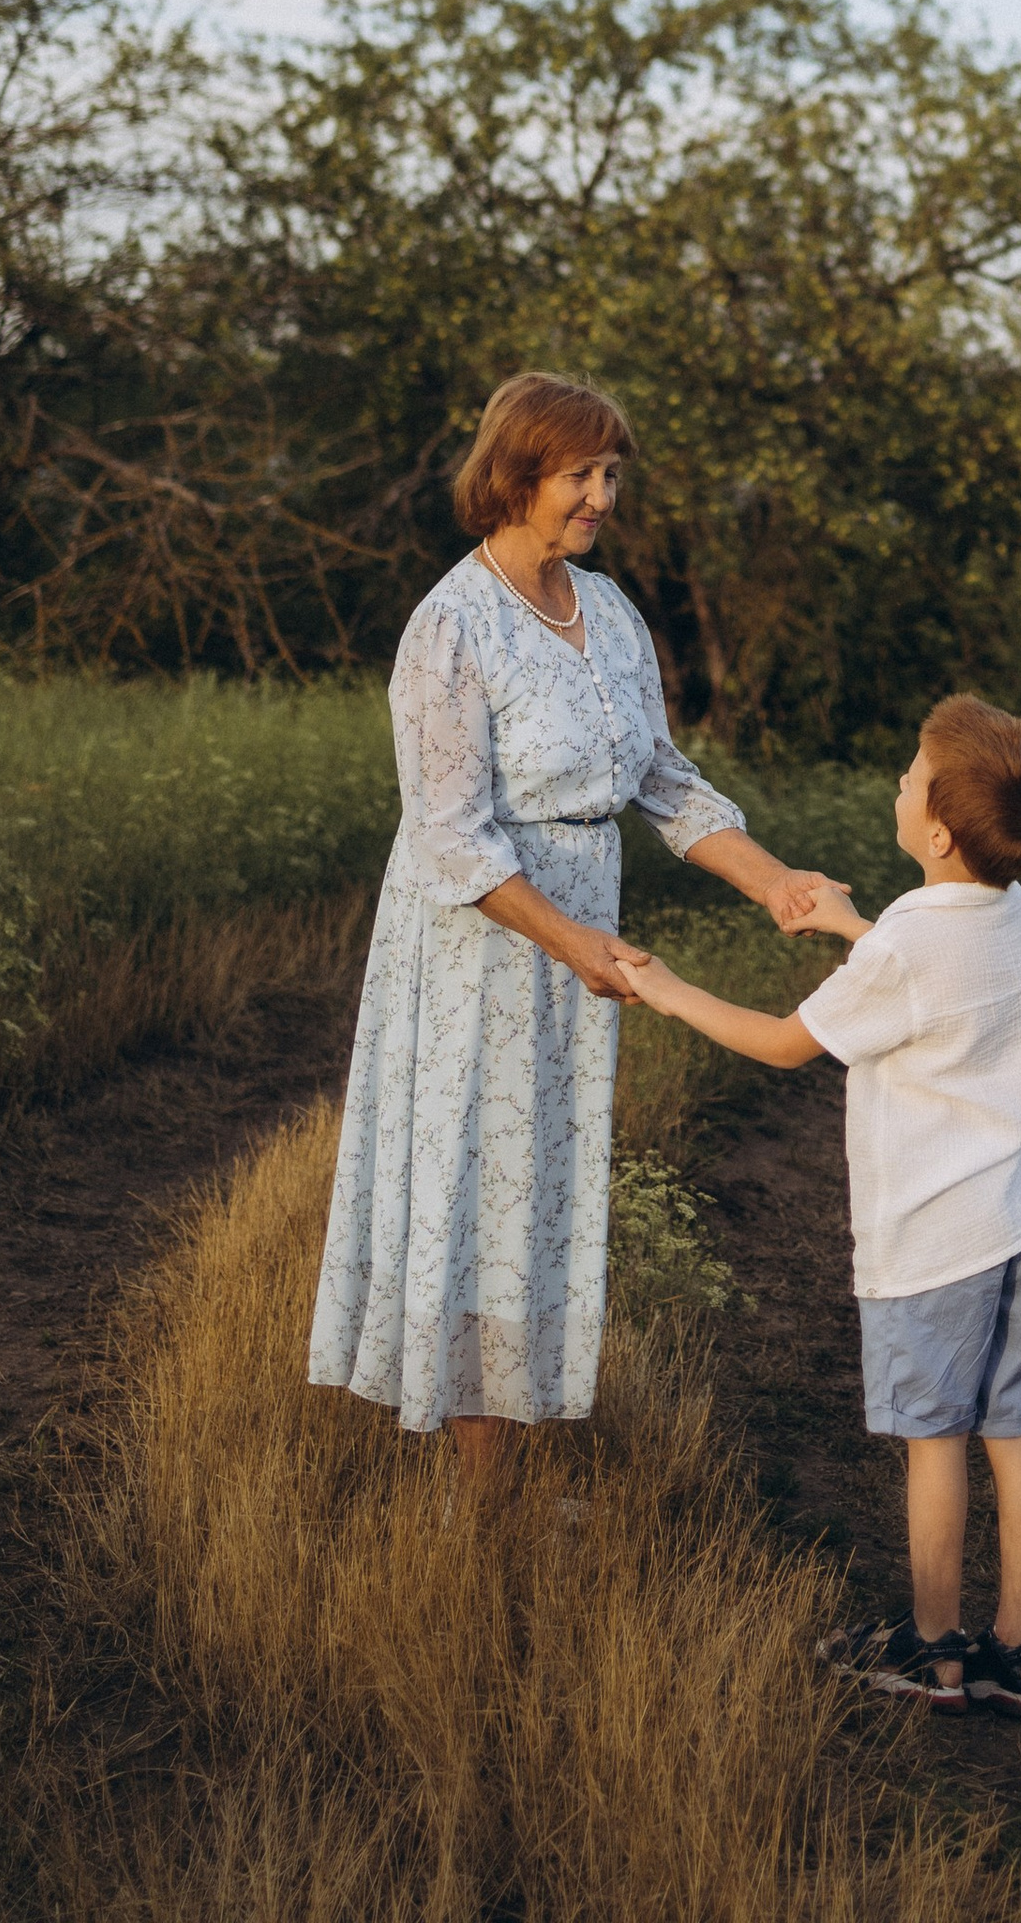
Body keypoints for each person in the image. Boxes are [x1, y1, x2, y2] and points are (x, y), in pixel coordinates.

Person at [307, 371, 839, 1456]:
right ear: (514, 475)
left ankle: (505, 1460)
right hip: (481, 946)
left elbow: (663, 780)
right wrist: (569, 939)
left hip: (577, 945)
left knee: (541, 1196)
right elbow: (450, 834)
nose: (601, 496)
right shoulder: (450, 626)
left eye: (610, 475)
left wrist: (775, 881)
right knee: (477, 1196)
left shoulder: (607, 609)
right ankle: (474, 1493)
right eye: (580, 475)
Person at [621, 691, 1021, 1716]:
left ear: (938, 831)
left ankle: (934, 1651)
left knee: (933, 1443)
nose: (899, 785)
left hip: (932, 1240)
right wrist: (846, 924)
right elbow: (925, 974)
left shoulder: (908, 945)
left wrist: (669, 989)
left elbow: (788, 1043)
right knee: (1014, 1432)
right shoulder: (1004, 907)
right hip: (1010, 1220)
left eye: (911, 778)